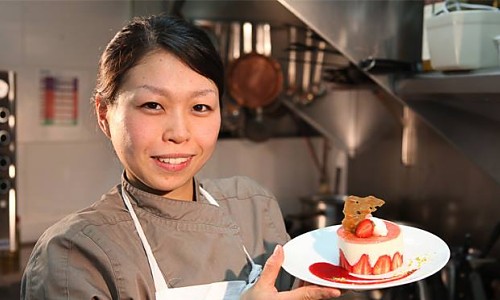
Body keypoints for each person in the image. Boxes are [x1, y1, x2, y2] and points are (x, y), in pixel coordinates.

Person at [20, 14, 341, 299]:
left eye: (200, 107)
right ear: (104, 114)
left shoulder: (252, 206)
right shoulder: (74, 254)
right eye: (152, 105)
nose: (178, 132)